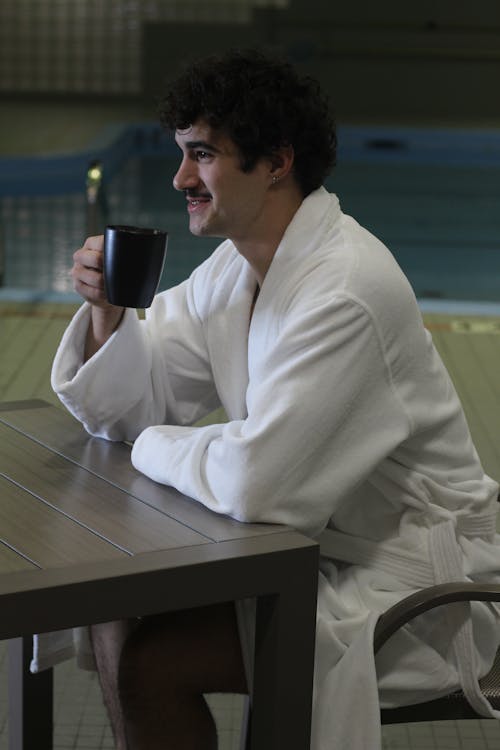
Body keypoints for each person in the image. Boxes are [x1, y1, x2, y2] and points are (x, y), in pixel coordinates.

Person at [47, 49, 500, 749]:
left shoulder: (345, 289)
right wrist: (110, 312)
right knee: (117, 607)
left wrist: (155, 444)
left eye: (202, 154)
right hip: (314, 550)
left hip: (419, 590)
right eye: (181, 154)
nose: (180, 178)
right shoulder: (238, 267)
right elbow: (141, 399)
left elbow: (259, 484)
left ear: (278, 161)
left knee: (153, 662)